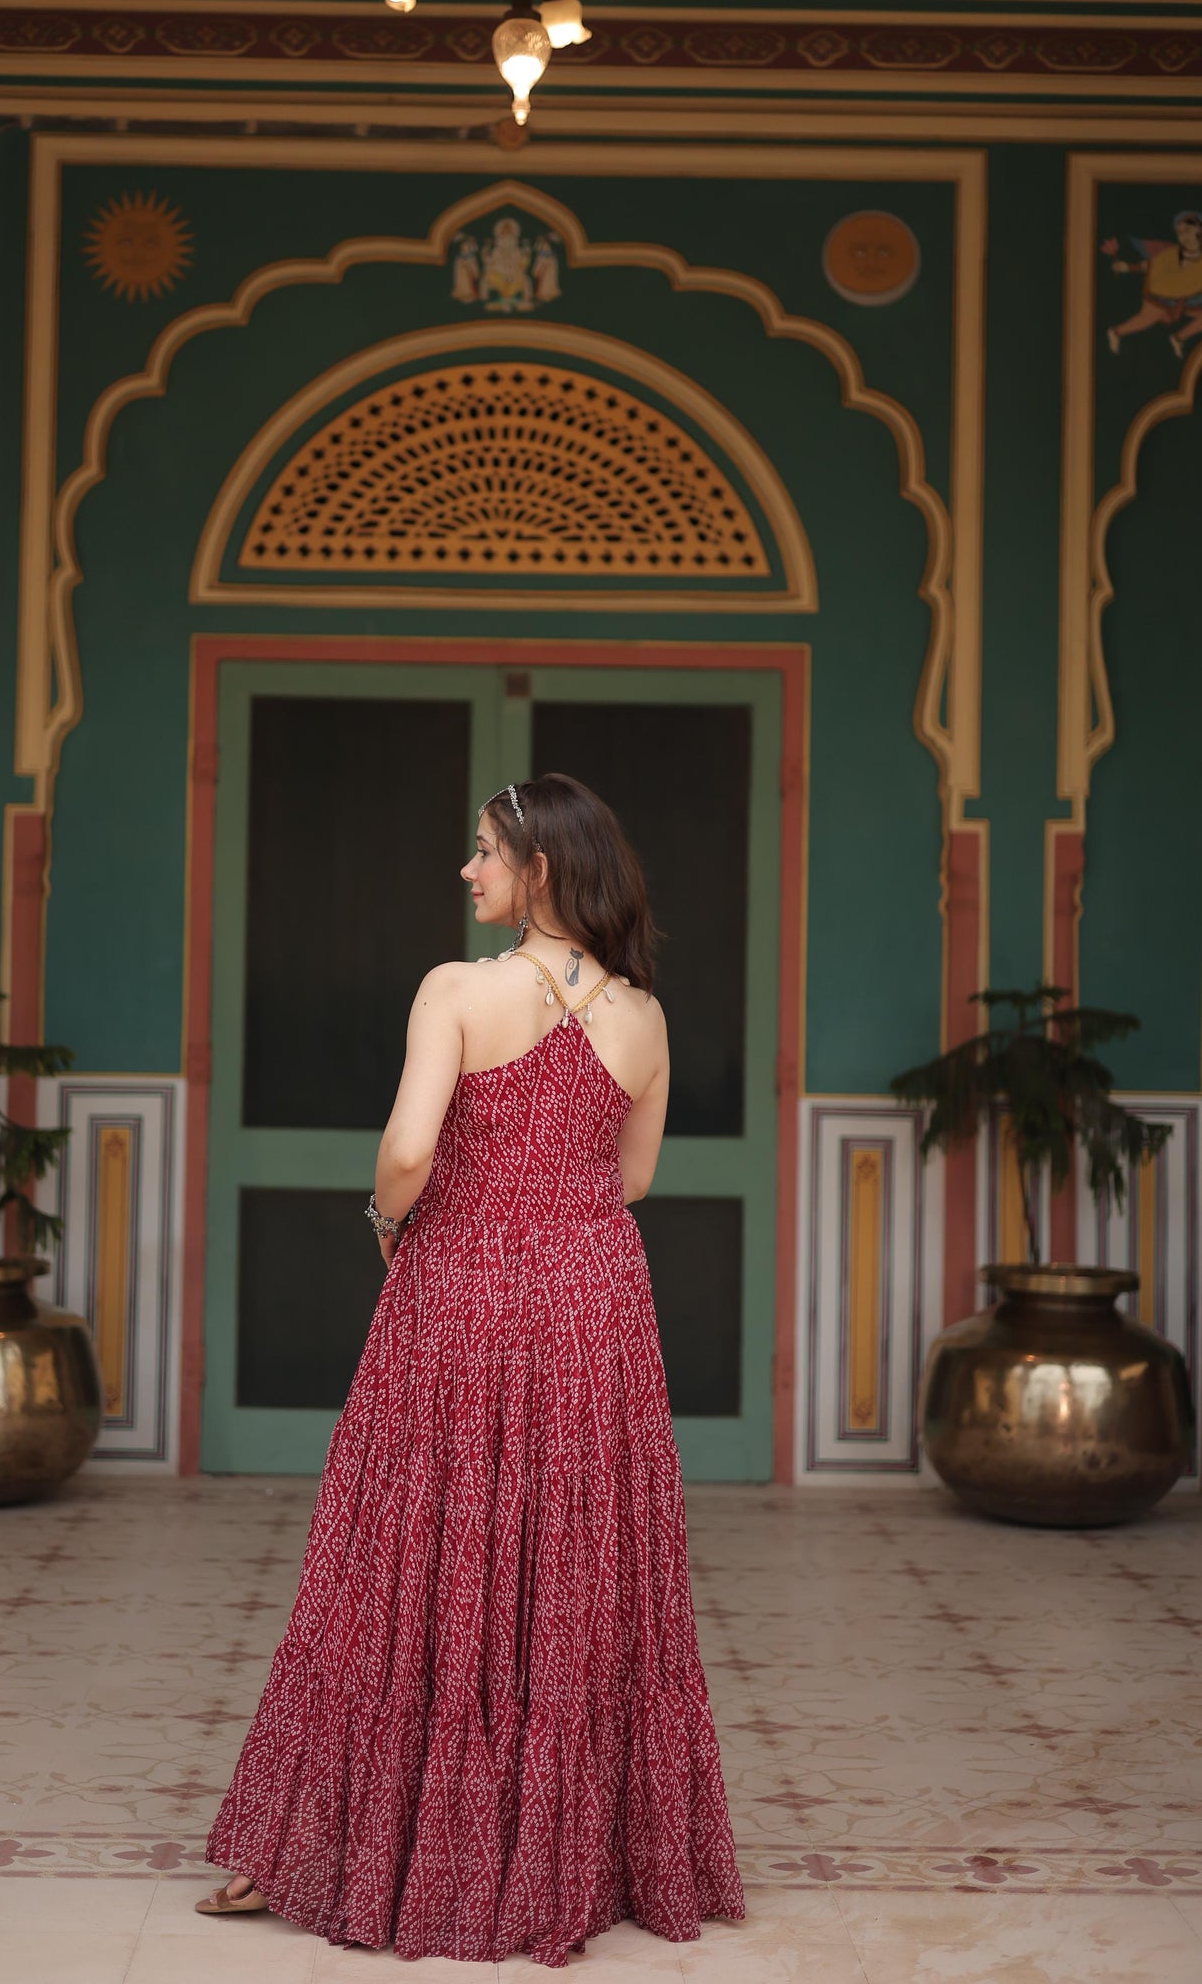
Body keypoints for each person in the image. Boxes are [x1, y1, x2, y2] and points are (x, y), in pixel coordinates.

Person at [198, 773, 745, 1966]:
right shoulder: (645, 1017)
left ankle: (333, 1846)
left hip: (460, 1291)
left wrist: (392, 1219)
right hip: (593, 1301)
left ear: (539, 869)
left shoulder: (455, 990)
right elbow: (632, 1179)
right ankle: (576, 1859)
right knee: (572, 1561)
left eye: (484, 850)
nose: (467, 868)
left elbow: (404, 1152)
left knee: (406, 1555)